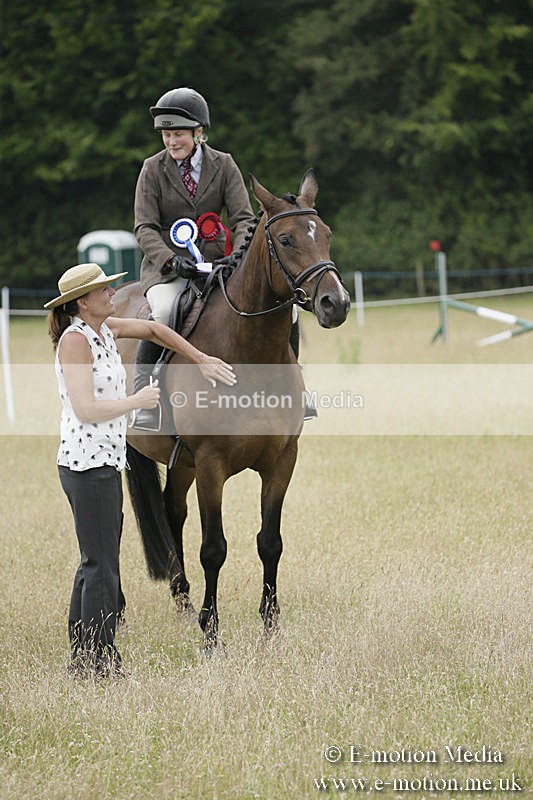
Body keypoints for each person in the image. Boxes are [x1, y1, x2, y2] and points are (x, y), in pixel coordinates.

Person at [45, 262, 236, 678]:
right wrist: (139, 401)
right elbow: (85, 409)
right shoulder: (75, 342)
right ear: (82, 301)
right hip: (86, 463)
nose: (111, 293)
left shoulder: (104, 328)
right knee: (101, 565)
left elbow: (154, 332)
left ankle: (83, 654)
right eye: (103, 290)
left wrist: (200, 357)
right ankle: (99, 659)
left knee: (96, 559)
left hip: (105, 460)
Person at [132, 86, 256, 428]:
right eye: (167, 135)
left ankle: (294, 389)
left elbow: (244, 218)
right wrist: (171, 261)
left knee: (278, 311)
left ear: (198, 133)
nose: (171, 142)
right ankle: (146, 399)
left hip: (220, 267)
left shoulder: (225, 164)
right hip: (169, 270)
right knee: (164, 312)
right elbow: (145, 228)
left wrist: (239, 257)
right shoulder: (152, 169)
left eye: (178, 135)